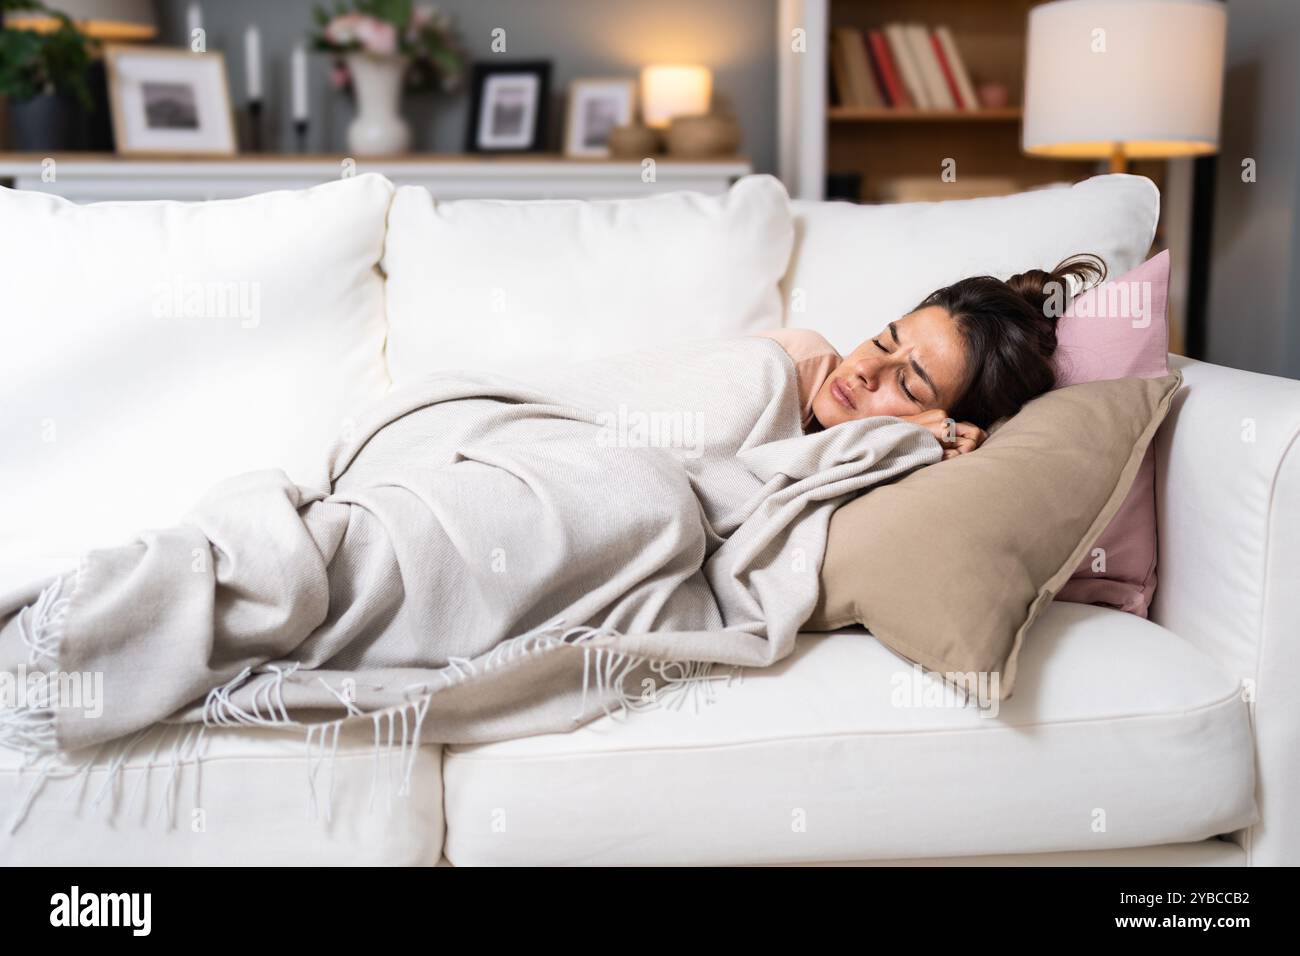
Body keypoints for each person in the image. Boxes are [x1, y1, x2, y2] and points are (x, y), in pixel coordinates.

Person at [759, 254, 1106, 459]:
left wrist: (899, 441)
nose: (865, 367)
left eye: (908, 386)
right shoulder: (796, 360)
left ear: (941, 421)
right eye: (883, 342)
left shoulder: (901, 461)